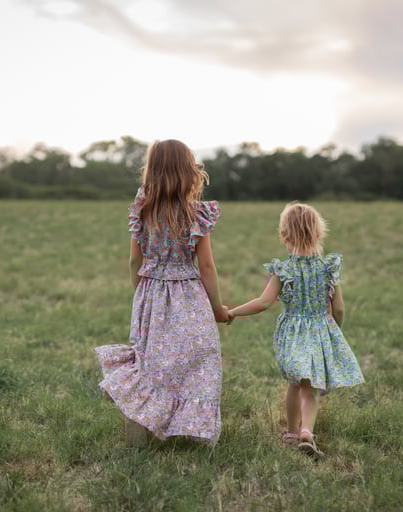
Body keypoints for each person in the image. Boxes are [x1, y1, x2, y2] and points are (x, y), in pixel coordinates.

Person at [95, 139, 231, 448]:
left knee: (150, 361)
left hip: (151, 291)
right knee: (200, 358)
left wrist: (141, 291)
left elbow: (134, 259)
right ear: (188, 171)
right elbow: (207, 266)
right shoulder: (196, 214)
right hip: (188, 294)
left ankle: (139, 436)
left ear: (152, 171)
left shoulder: (143, 211)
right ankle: (194, 431)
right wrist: (218, 307)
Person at [228, 202, 364, 457]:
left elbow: (263, 303)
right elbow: (340, 308)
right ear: (319, 234)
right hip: (320, 331)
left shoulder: (284, 270)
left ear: (283, 235)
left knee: (295, 384)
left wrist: (233, 311)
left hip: (293, 334)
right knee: (310, 387)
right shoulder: (327, 268)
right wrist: (335, 330)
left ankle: (292, 432)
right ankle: (307, 432)